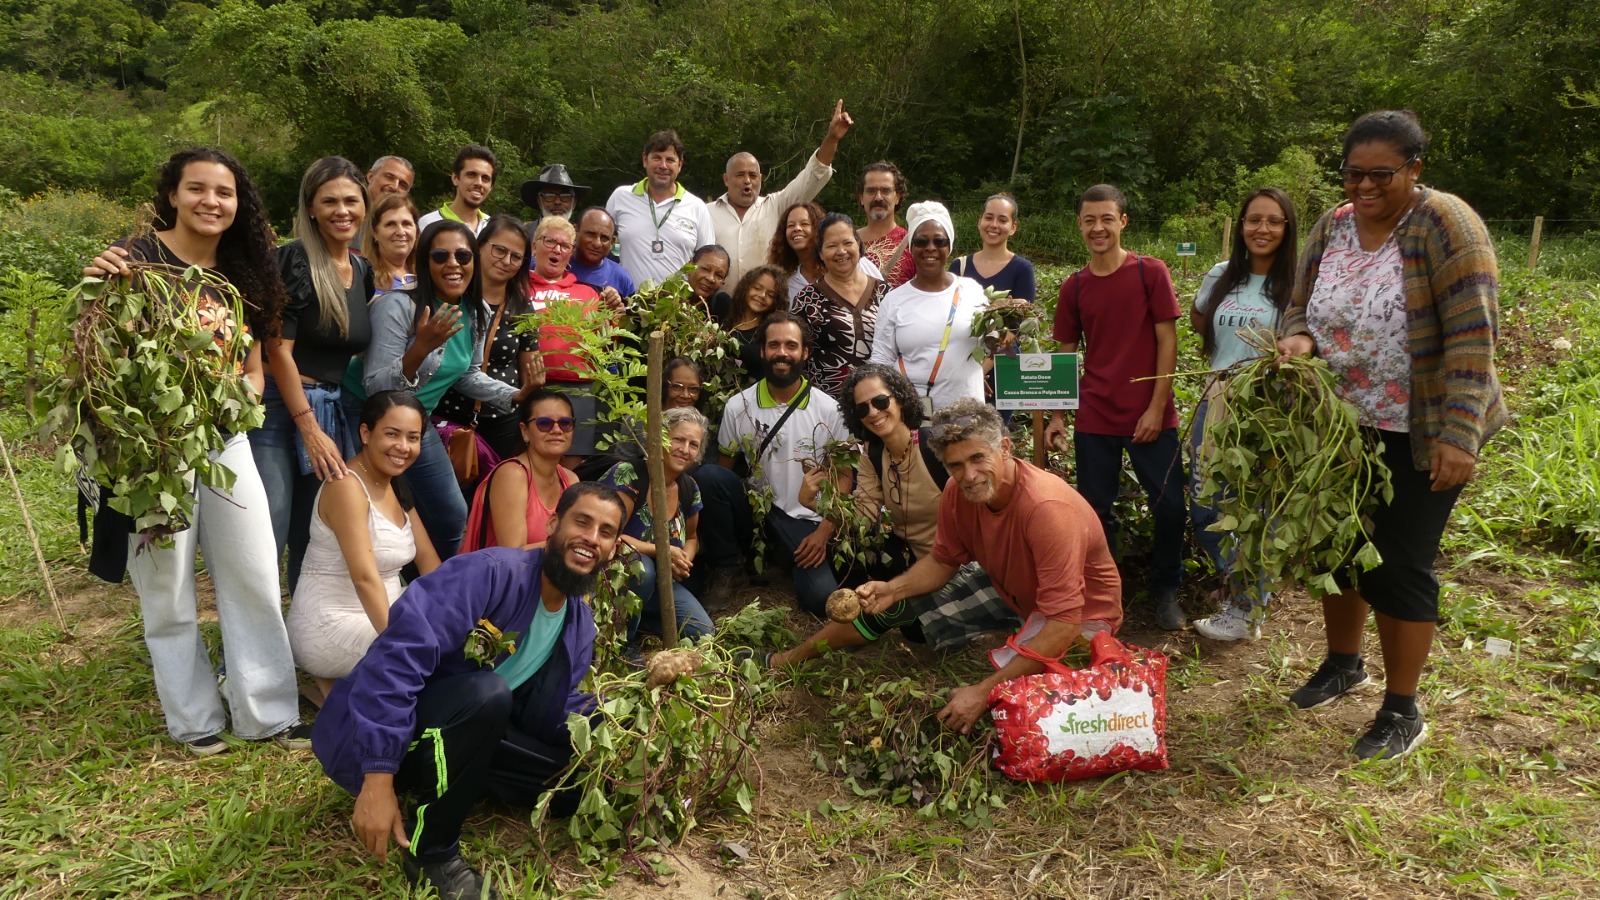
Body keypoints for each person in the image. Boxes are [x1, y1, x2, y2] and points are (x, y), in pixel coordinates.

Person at [1276, 110, 1506, 761]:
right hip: (1342, 422)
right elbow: (1301, 300)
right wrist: (1297, 335)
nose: (1365, 187)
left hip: (1422, 427)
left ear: (1415, 169)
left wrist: (1459, 435)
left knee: (1399, 563)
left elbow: (1472, 335)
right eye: (1354, 174)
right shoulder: (1333, 224)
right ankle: (1344, 663)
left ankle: (1403, 710)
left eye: (1382, 175)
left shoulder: (1446, 225)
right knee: (1338, 548)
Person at [81, 147, 304, 754]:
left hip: (226, 441)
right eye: (197, 189)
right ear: (173, 195)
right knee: (167, 585)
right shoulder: (134, 260)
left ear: (239, 204)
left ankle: (267, 713)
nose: (211, 202)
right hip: (152, 449)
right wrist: (94, 282)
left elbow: (255, 369)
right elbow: (96, 354)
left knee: (255, 570)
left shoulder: (243, 272)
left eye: (224, 192)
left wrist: (239, 400)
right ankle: (195, 719)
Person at [312, 482, 627, 900]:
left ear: (613, 549)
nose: (591, 538)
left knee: (571, 787)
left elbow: (551, 708)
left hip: (468, 732)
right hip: (396, 737)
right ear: (553, 524)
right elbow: (393, 663)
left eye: (605, 532)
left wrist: (611, 721)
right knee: (487, 692)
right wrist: (377, 775)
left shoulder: (578, 625)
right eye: (582, 522)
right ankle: (431, 854)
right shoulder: (489, 573)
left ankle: (460, 779)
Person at [857, 400, 1122, 734]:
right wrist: (892, 589)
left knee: (1024, 715)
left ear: (1006, 448)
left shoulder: (1047, 509)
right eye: (955, 465)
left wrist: (984, 691)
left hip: (1082, 616)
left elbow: (1064, 624)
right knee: (904, 610)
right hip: (1014, 590)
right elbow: (943, 560)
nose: (969, 475)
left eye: (978, 458)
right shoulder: (959, 492)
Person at [1043, 184, 1187, 632]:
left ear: (1123, 222)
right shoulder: (1075, 286)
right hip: (1096, 417)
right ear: (1080, 225)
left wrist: (1155, 407)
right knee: (1094, 513)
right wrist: (1059, 416)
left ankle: (1166, 590)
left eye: (1107, 218)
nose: (1098, 227)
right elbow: (1066, 355)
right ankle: (1106, 595)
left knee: (1169, 508)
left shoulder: (1151, 273)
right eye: (1090, 220)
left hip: (1150, 415)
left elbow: (1168, 341)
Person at [352, 220, 541, 559]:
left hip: (415, 421)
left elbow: (467, 375)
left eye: (462, 256)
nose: (453, 264)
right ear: (425, 262)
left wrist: (516, 394)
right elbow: (375, 388)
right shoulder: (397, 307)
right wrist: (420, 348)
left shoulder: (475, 311)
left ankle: (434, 589)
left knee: (452, 516)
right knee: (374, 515)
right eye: (440, 256)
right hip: (366, 418)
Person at [753, 366, 963, 668]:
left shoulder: (935, 448)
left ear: (900, 399)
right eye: (862, 408)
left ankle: (787, 660)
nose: (873, 412)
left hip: (950, 566)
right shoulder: (873, 455)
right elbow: (861, 520)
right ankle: (858, 629)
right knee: (847, 551)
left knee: (894, 616)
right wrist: (813, 501)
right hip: (911, 558)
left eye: (880, 401)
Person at [253, 157, 375, 594]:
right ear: (310, 208)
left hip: (330, 408)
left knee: (311, 531)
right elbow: (277, 350)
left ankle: (299, 634)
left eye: (350, 200)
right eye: (329, 202)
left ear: (365, 205)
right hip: (279, 411)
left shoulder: (362, 272)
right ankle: (244, 654)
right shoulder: (293, 261)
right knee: (269, 527)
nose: (342, 211)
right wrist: (308, 428)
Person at [1187, 188, 1298, 642]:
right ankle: (1239, 586)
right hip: (1216, 397)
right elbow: (1199, 321)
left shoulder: (1296, 285)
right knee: (1206, 502)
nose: (1263, 229)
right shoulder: (1220, 275)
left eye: (1274, 221)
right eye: (1254, 220)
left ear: (1287, 229)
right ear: (1241, 226)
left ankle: (1246, 607)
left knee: (1257, 508)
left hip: (1269, 408)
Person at [288, 392, 440, 697]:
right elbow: (365, 578)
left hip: (385, 613)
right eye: (392, 434)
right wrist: (397, 644)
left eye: (413, 437)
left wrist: (454, 612)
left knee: (453, 635)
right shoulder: (346, 486)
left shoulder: (394, 482)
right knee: (433, 655)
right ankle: (337, 685)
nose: (403, 447)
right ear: (366, 433)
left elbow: (428, 561)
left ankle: (345, 689)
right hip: (331, 624)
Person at [717, 312, 848, 617]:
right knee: (710, 477)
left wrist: (826, 529)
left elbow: (844, 476)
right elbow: (725, 470)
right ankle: (728, 567)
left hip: (807, 519)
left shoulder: (829, 410)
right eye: (773, 344)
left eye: (791, 345)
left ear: (804, 353)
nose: (782, 353)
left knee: (820, 600)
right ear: (762, 351)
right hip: (758, 512)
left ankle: (784, 559)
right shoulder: (739, 406)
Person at [602, 406, 716, 643]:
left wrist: (684, 557)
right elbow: (607, 533)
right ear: (660, 438)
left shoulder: (689, 488)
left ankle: (635, 616)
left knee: (703, 633)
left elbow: (693, 537)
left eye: (693, 444)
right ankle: (622, 640)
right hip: (614, 577)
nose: (685, 449)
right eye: (678, 440)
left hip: (661, 584)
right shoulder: (628, 474)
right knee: (643, 569)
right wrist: (663, 552)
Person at [436, 215, 543, 462]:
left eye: (516, 257)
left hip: (503, 422)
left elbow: (530, 372)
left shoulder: (522, 307)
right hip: (449, 415)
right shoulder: (453, 296)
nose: (506, 261)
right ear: (479, 246)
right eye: (499, 250)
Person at [710, 99, 853, 283]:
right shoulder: (705, 212)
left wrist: (832, 138)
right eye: (740, 175)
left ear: (761, 179)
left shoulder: (777, 206)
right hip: (716, 309)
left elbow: (813, 175)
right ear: (726, 179)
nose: (747, 181)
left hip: (768, 305)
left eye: (753, 175)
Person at [869, 201, 987, 416]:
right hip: (914, 416)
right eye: (921, 241)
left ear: (949, 246)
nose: (930, 248)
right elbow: (881, 360)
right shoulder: (894, 300)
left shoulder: (972, 291)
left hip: (967, 415)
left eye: (939, 241)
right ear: (911, 248)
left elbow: (989, 345)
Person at [526, 215, 609, 463]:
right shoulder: (517, 288)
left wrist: (610, 317)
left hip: (580, 389)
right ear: (534, 246)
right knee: (533, 460)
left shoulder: (588, 293)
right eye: (549, 241)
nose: (556, 250)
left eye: (564, 246)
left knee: (574, 464)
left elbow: (603, 344)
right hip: (533, 387)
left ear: (571, 253)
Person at [463, 390, 580, 552]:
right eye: (544, 423)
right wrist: (576, 544)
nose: (557, 430)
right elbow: (513, 554)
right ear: (525, 431)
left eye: (565, 423)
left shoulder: (571, 480)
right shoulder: (512, 475)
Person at [790, 212, 890, 400]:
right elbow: (796, 356)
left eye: (847, 243)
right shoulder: (806, 299)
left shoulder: (885, 293)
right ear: (820, 253)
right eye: (832, 246)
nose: (841, 251)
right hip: (827, 407)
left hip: (880, 403)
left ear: (859, 245)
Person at [605, 129, 717, 288]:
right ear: (645, 160)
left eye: (670, 160)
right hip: (627, 305)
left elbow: (707, 262)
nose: (663, 166)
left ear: (680, 165)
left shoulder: (697, 207)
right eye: (657, 158)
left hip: (676, 308)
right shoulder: (620, 197)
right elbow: (602, 244)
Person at [950, 193, 1036, 301]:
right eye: (989, 218)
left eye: (1002, 220)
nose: (994, 225)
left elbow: (1025, 316)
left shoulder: (1022, 269)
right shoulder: (960, 266)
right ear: (979, 221)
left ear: (1013, 227)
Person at [722, 264, 788, 385]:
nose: (762, 295)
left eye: (770, 295)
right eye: (757, 288)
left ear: (776, 302)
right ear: (746, 287)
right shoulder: (725, 314)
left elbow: (756, 354)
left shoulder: (771, 331)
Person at [855, 161, 915, 288]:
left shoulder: (913, 244)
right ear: (861, 197)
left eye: (886, 191)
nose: (878, 198)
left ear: (897, 197)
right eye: (871, 191)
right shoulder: (846, 243)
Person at [417, 144, 497, 237]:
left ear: (491, 187)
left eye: (485, 178)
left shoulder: (493, 228)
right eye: (471, 175)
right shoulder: (428, 223)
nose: (479, 183)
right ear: (455, 178)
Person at [566, 207, 634, 309]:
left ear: (612, 242)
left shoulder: (621, 278)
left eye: (604, 238)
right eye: (591, 234)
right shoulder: (555, 266)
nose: (597, 243)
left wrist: (621, 316)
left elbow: (631, 320)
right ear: (575, 231)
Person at [363, 192, 420, 293]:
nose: (401, 232)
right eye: (390, 224)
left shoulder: (427, 274)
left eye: (406, 224)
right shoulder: (365, 278)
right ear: (375, 233)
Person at [519, 164, 588, 221]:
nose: (557, 202)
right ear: (539, 201)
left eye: (565, 196)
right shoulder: (524, 235)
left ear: (574, 203)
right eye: (550, 196)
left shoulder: (580, 236)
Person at [684, 243, 731, 318]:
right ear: (690, 266)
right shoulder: (666, 295)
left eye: (719, 275)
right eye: (705, 269)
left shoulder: (722, 304)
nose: (711, 278)